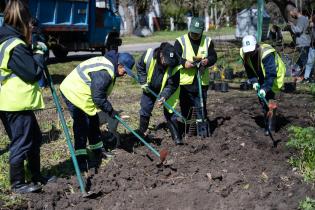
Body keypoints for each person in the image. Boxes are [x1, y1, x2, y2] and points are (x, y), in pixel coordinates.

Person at [0, 0, 55, 194]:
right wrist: (39, 51)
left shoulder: (10, 40)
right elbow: (32, 73)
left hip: (14, 102)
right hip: (15, 103)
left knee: (34, 138)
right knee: (21, 142)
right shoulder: (14, 45)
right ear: (22, 21)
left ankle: (36, 176)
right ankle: (17, 184)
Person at [60, 51, 135, 172]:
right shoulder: (104, 73)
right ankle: (81, 160)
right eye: (125, 71)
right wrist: (111, 112)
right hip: (73, 93)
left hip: (84, 94)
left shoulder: (110, 66)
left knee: (93, 122)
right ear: (119, 65)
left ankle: (98, 151)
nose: (125, 74)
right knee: (82, 126)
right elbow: (98, 98)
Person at [174, 17, 217, 135]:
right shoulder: (180, 41)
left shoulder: (207, 41)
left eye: (197, 33)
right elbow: (175, 57)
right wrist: (184, 63)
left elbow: (213, 57)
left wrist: (207, 61)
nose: (195, 35)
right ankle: (188, 130)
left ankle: (202, 131)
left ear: (202, 31)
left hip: (201, 81)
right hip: (185, 82)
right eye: (193, 32)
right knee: (185, 108)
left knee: (200, 107)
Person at [136, 42, 183, 145]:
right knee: (145, 109)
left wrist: (164, 96)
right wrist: (143, 82)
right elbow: (139, 66)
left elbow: (172, 85)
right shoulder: (148, 55)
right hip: (149, 88)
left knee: (170, 111)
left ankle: (177, 138)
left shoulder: (175, 65)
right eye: (166, 61)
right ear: (161, 54)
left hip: (166, 89)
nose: (167, 64)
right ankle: (141, 136)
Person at [240, 35, 286, 135]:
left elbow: (271, 74)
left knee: (271, 99)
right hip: (261, 74)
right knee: (262, 100)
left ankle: (271, 127)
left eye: (251, 51)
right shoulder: (244, 53)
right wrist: (254, 81)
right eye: (247, 51)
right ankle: (267, 119)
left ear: (256, 46)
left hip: (274, 76)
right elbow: (249, 69)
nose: (249, 53)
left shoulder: (266, 54)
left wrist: (265, 88)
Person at [286, 8, 311, 73]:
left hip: (303, 42)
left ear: (295, 13)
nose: (292, 16)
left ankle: (306, 77)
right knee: (300, 60)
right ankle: (297, 73)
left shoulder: (301, 19)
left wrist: (291, 25)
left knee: (304, 60)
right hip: (305, 42)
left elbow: (298, 30)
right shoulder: (304, 19)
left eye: (292, 14)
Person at [302, 15, 315, 83]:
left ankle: (311, 77)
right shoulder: (311, 27)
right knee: (309, 63)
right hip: (312, 47)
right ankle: (306, 77)